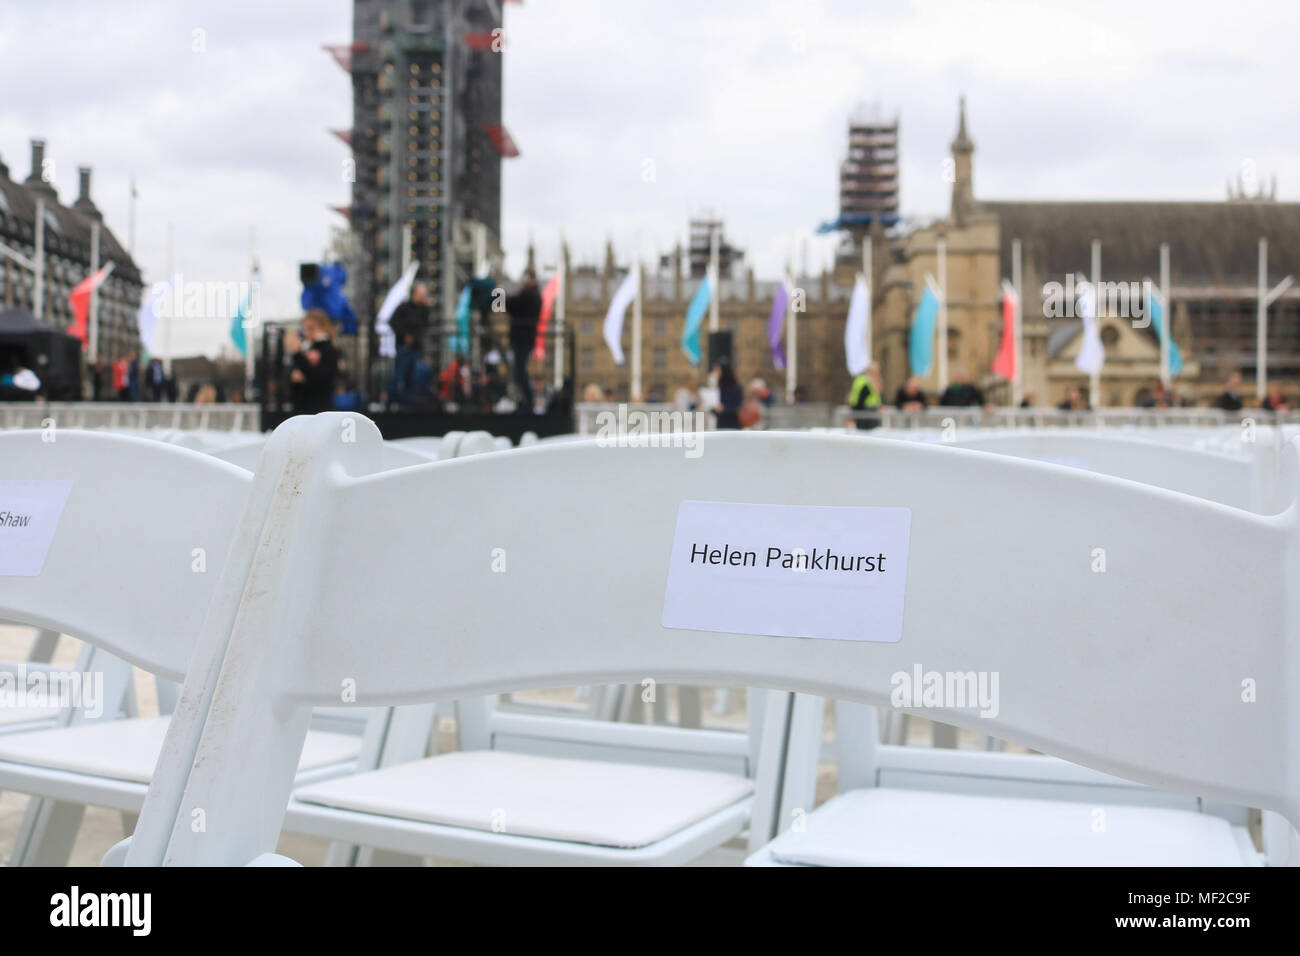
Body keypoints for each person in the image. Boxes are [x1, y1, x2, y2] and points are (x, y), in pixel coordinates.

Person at [286, 310, 341, 414]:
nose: (307, 333)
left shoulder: (328, 349)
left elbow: (320, 377)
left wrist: (297, 355)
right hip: (303, 409)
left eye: (311, 328)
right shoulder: (307, 347)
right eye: (305, 329)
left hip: (319, 409)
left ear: (324, 327)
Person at [506, 271, 542, 414]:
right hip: (524, 338)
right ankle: (525, 401)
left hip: (522, 338)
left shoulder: (529, 294)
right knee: (519, 371)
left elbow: (511, 305)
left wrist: (499, 293)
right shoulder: (533, 294)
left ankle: (527, 401)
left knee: (520, 371)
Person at [389, 283, 430, 403]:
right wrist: (404, 335)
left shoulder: (424, 310)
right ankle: (393, 401)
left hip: (416, 347)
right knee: (399, 374)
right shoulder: (404, 307)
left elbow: (424, 326)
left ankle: (409, 402)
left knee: (413, 376)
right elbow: (393, 322)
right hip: (403, 346)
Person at [847, 362, 883, 429]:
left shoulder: (862, 380)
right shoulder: (867, 383)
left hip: (868, 413)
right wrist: (853, 416)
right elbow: (860, 400)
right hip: (865, 414)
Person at [713, 363, 743, 429]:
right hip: (721, 424)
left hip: (733, 424)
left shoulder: (736, 387)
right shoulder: (719, 386)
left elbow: (738, 406)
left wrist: (724, 409)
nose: (716, 374)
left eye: (718, 371)